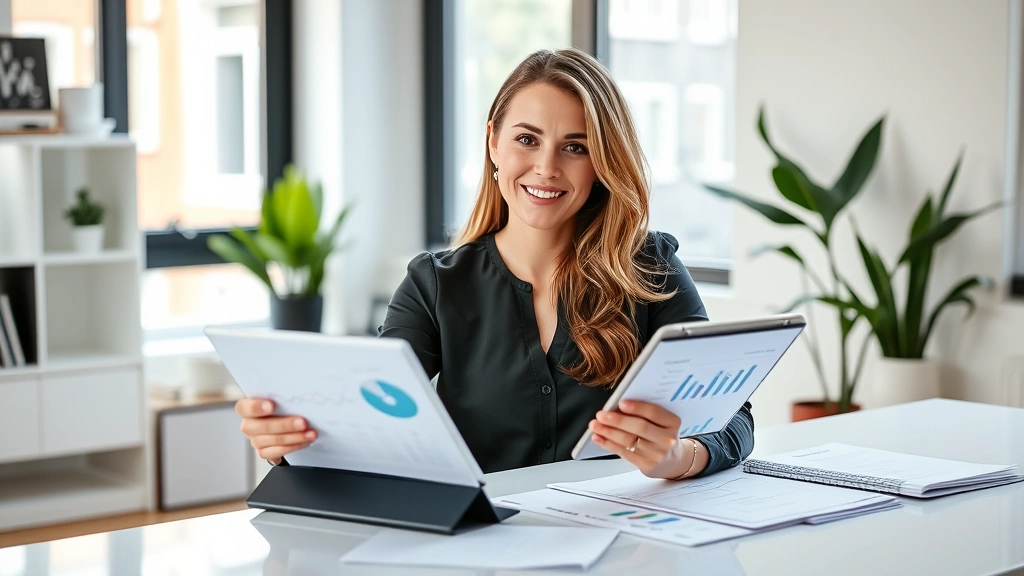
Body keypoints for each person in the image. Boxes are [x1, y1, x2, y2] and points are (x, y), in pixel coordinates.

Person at [236, 48, 753, 479]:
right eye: (527, 139)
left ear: (602, 163)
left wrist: (677, 457)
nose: (546, 169)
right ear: (493, 144)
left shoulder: (648, 266)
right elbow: (375, 421)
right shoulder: (433, 284)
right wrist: (290, 440)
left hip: (627, 543)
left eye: (576, 147)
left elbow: (734, 419)